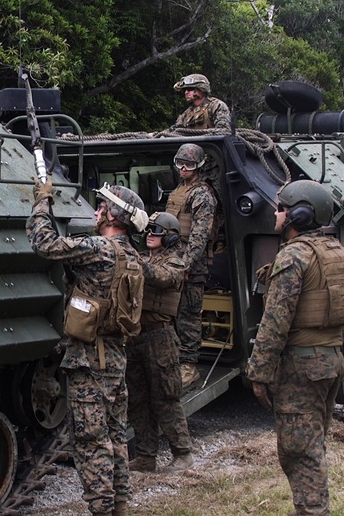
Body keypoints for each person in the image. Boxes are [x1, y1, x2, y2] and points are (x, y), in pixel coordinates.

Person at [26, 179, 148, 516]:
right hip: (115, 357)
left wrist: (42, 201)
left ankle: (101, 510)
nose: (96, 211)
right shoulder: (132, 257)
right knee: (116, 437)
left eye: (102, 206)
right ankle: (119, 507)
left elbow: (44, 244)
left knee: (90, 441)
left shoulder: (98, 249)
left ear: (112, 216)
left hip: (89, 360)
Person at [246, 180, 344, 516]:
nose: (275, 212)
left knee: (299, 452)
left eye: (281, 208)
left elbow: (275, 322)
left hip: (301, 366)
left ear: (298, 214)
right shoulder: (335, 251)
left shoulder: (294, 256)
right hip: (331, 361)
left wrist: (259, 373)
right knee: (313, 444)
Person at [126, 212, 194, 474]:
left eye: (156, 230)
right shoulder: (142, 258)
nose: (150, 235)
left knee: (166, 397)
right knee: (138, 399)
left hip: (160, 337)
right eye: (149, 230)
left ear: (170, 236)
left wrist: (129, 257)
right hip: (135, 336)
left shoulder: (176, 263)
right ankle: (145, 456)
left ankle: (182, 453)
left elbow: (161, 277)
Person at [164, 143, 218, 388]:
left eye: (189, 165)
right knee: (171, 313)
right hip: (173, 260)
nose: (183, 169)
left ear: (199, 166)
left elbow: (199, 234)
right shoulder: (178, 191)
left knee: (187, 316)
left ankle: (189, 366)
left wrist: (185, 266)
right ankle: (175, 360)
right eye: (180, 163)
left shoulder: (202, 194)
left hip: (190, 266)